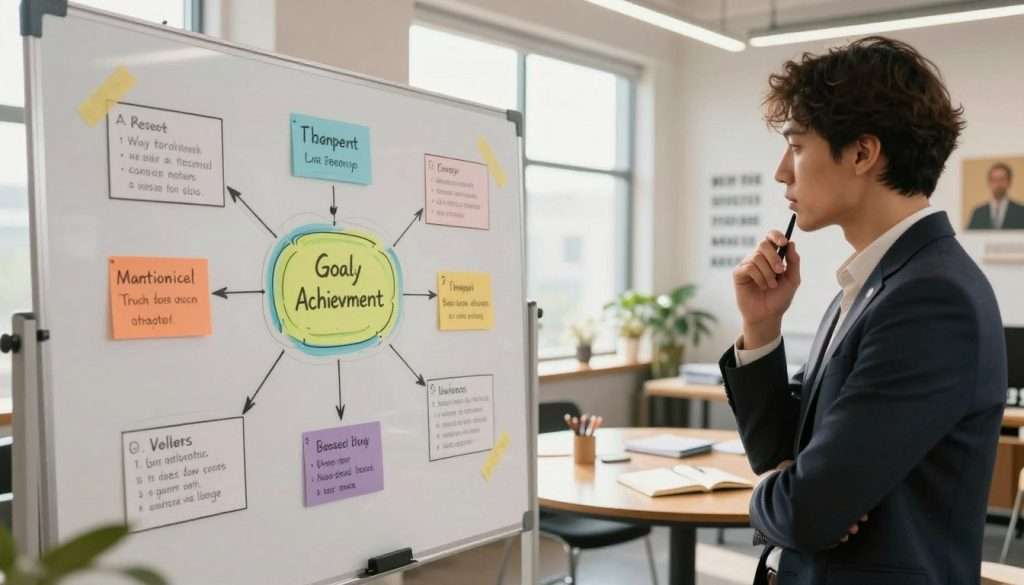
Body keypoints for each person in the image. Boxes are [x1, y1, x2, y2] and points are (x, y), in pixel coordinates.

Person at [719, 36, 1006, 585]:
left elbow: (808, 509)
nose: (783, 171)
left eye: (797, 146)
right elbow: (782, 451)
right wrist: (761, 326)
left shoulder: (929, 300)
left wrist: (765, 498)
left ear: (861, 153)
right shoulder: (872, 283)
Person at [967, 162, 1024, 229]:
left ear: (1009, 182)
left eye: (1002, 179)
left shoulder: (1021, 212)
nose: (998, 183)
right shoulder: (978, 213)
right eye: (994, 180)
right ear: (989, 183)